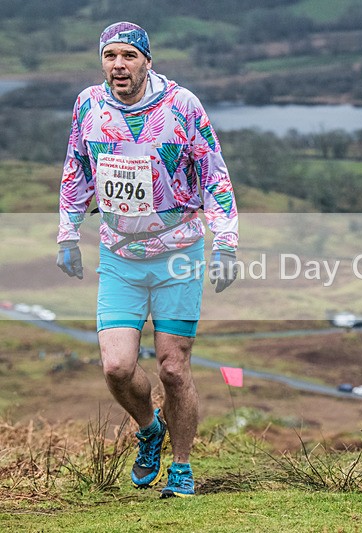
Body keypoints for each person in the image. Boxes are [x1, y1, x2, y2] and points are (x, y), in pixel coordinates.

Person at [56, 21, 239, 498]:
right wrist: (67, 234)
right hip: (119, 255)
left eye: (129, 56)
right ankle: (150, 427)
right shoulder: (88, 105)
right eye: (110, 55)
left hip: (178, 254)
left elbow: (214, 175)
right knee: (117, 367)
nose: (119, 65)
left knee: (173, 368)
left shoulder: (182, 105)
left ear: (147, 61)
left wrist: (226, 243)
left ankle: (182, 466)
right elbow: (77, 169)